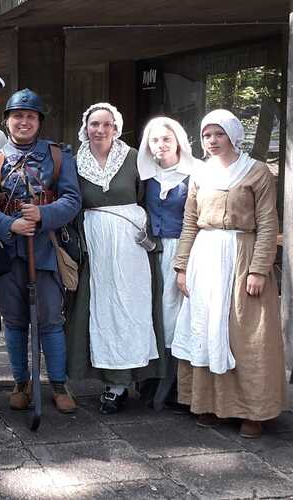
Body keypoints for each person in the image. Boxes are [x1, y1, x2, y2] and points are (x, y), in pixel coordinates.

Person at [172, 109, 285, 439]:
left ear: (233, 135)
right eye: (207, 135)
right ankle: (212, 405)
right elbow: (190, 222)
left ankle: (253, 411)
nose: (212, 141)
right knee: (206, 330)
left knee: (247, 335)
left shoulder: (257, 171)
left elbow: (267, 224)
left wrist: (259, 269)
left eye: (218, 134)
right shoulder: (200, 173)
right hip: (205, 258)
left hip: (241, 256)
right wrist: (182, 267)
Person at [63, 103, 161, 415]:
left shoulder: (134, 158)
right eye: (95, 124)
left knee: (130, 309)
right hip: (95, 248)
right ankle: (110, 382)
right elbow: (71, 202)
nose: (100, 130)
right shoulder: (75, 162)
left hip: (130, 249)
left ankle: (127, 381)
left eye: (107, 124)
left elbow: (149, 198)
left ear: (116, 128)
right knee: (99, 311)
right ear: (85, 127)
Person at [0, 89, 81, 414]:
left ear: (39, 121)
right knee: (13, 321)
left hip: (45, 251)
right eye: (18, 116)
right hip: (9, 253)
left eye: (30, 116)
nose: (24, 121)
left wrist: (43, 215)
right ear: (7, 121)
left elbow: (72, 200)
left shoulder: (58, 156)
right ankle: (20, 382)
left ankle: (58, 383)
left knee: (51, 320)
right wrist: (8, 225)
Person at [136, 116, 200, 409]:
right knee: (154, 313)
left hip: (184, 251)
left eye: (166, 139)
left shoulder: (195, 173)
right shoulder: (145, 176)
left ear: (178, 141)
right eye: (154, 140)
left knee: (177, 315)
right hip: (150, 253)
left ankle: (175, 381)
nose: (160, 145)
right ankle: (152, 376)